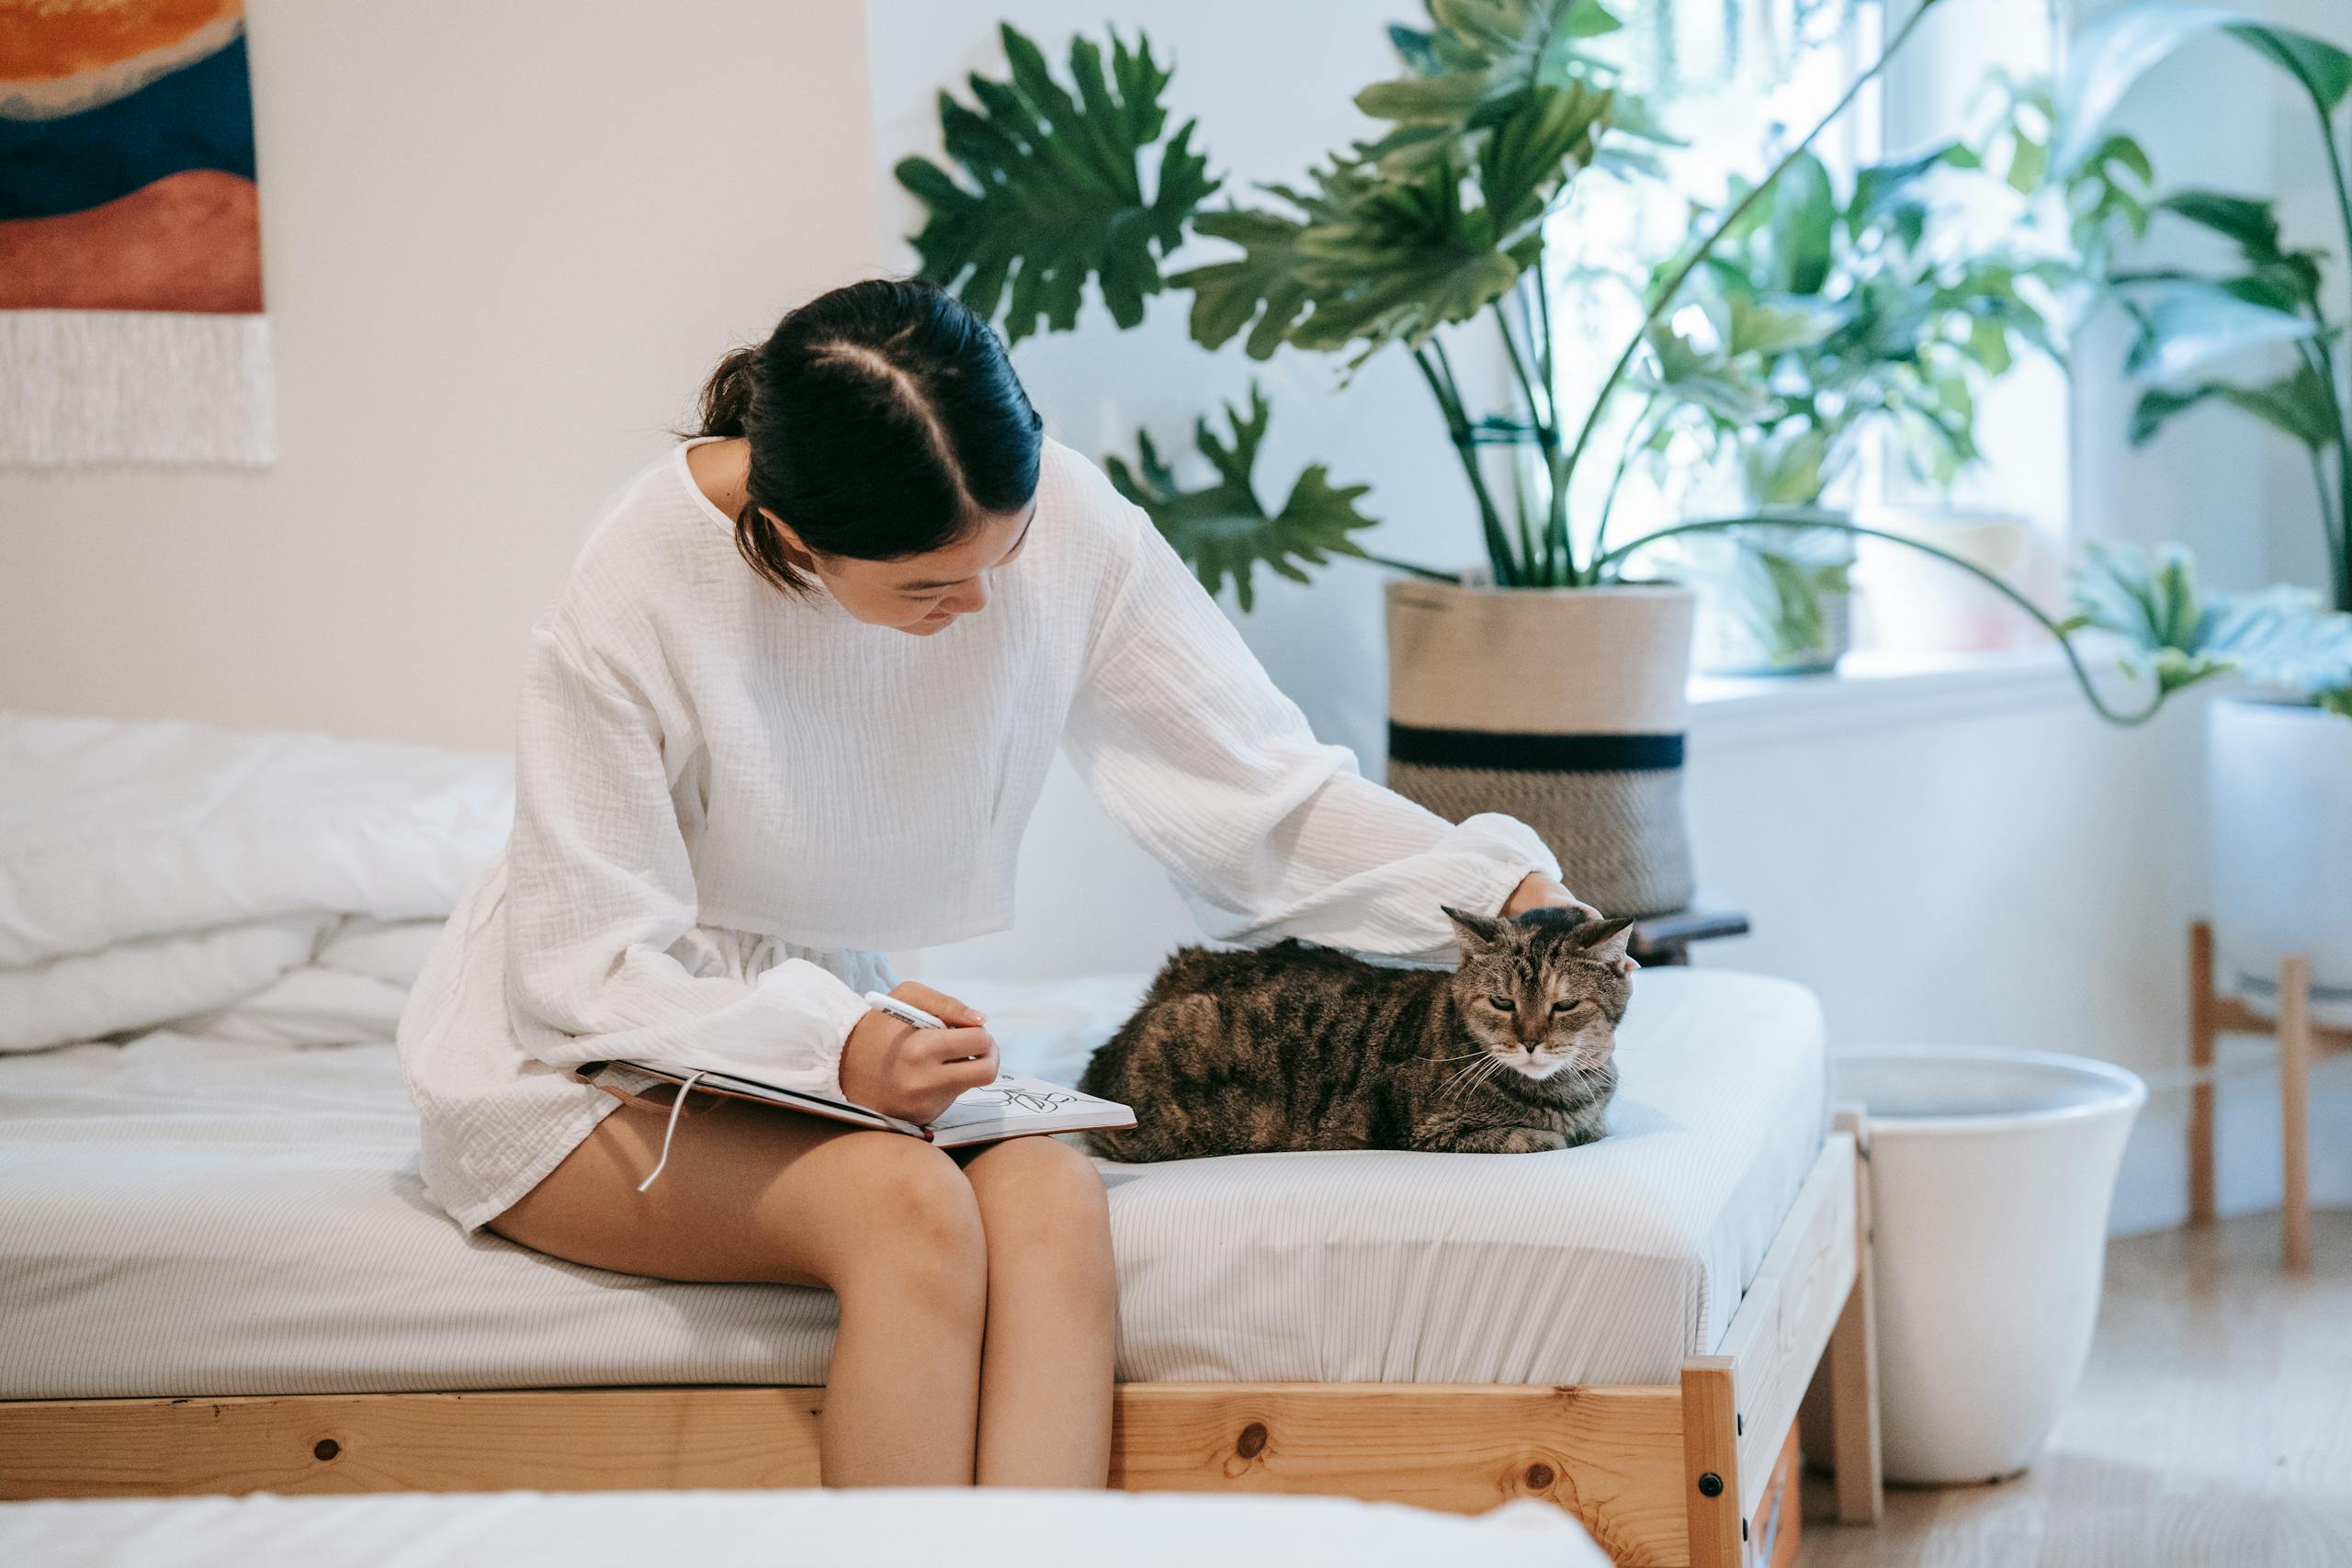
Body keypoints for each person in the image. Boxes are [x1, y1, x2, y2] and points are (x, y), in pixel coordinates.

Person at [396, 276, 1583, 1490]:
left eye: (1001, 561)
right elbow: (584, 967)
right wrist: (843, 1047)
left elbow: (1260, 795)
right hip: (590, 1045)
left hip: (826, 1025)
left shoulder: (1062, 522)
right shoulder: (636, 584)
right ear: (794, 537)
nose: (977, 606)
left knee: (1052, 1201)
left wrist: (1508, 908)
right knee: (901, 1211)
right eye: (926, 585)